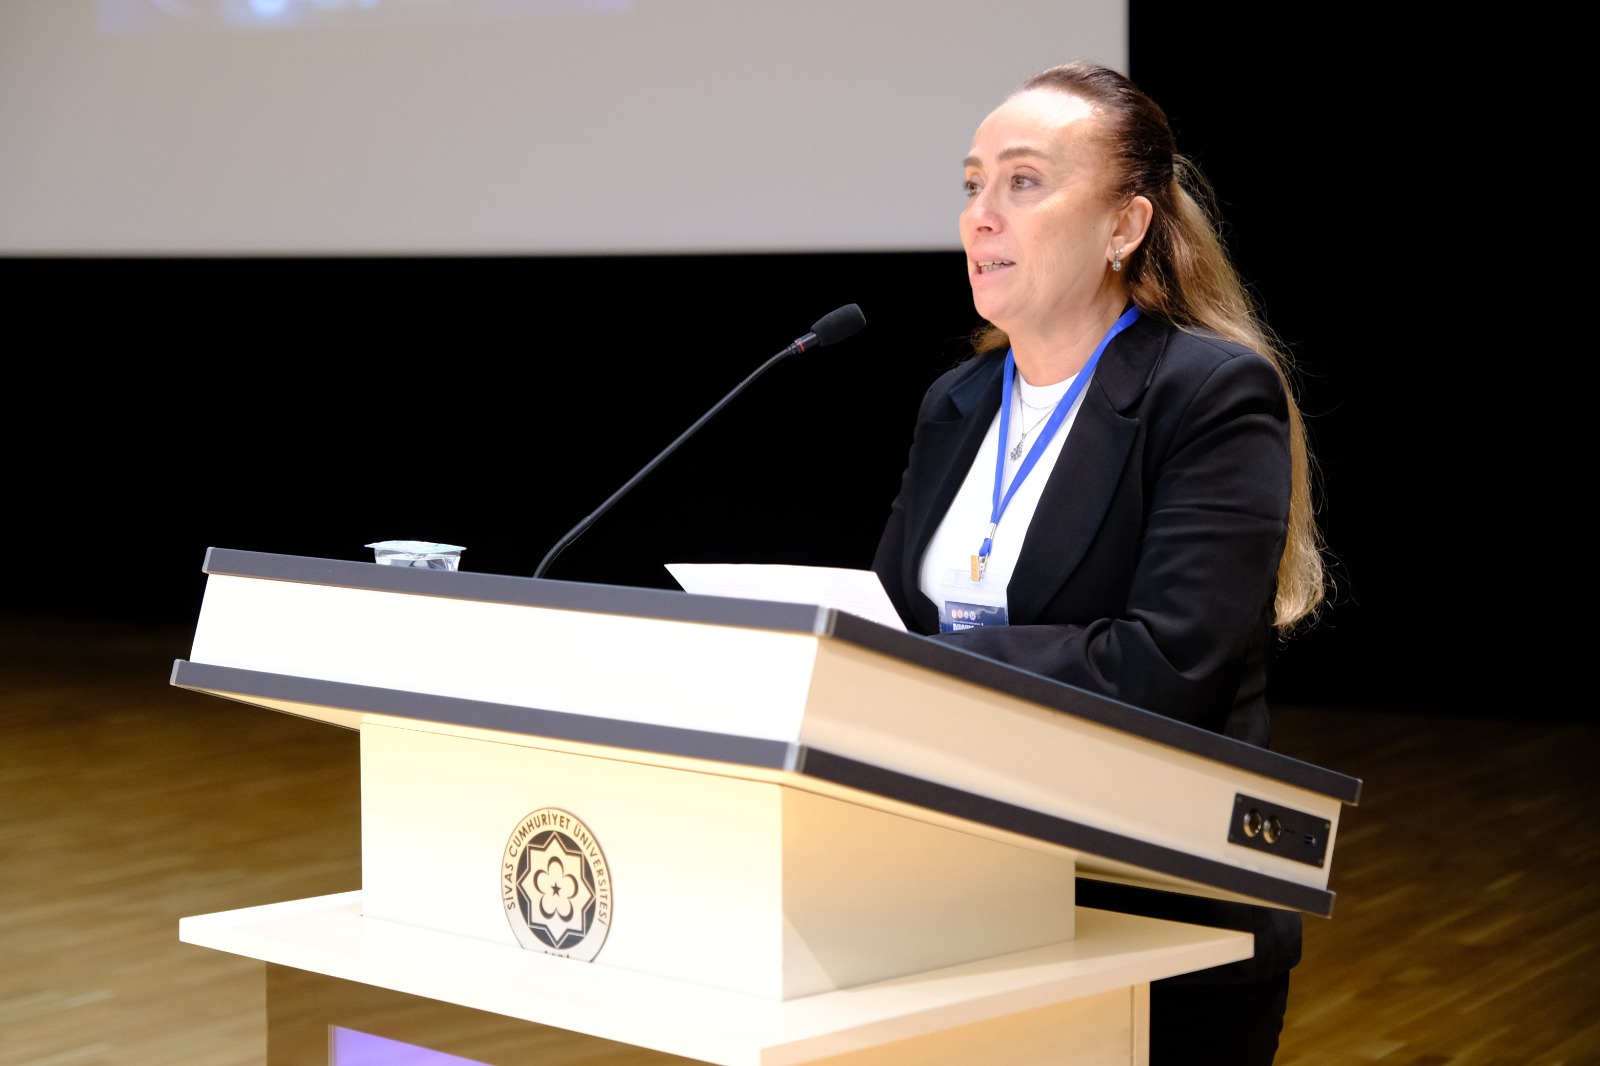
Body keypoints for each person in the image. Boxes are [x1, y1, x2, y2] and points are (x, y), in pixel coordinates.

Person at [871, 61, 1325, 1066]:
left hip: (1153, 918)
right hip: (959, 905)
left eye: (1023, 181)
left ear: (1124, 225)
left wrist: (920, 666)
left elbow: (1164, 665)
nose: (981, 214)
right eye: (972, 184)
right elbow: (894, 617)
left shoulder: (1208, 395)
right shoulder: (957, 402)